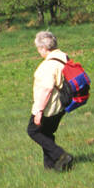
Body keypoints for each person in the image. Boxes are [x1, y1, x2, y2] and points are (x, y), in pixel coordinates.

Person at [28, 31, 74, 171]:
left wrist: (39, 111)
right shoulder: (63, 57)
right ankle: (50, 166)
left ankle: (61, 155)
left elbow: (46, 89)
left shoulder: (47, 66)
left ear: (43, 48)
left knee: (33, 131)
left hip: (50, 106)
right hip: (63, 104)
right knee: (47, 133)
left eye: (38, 48)